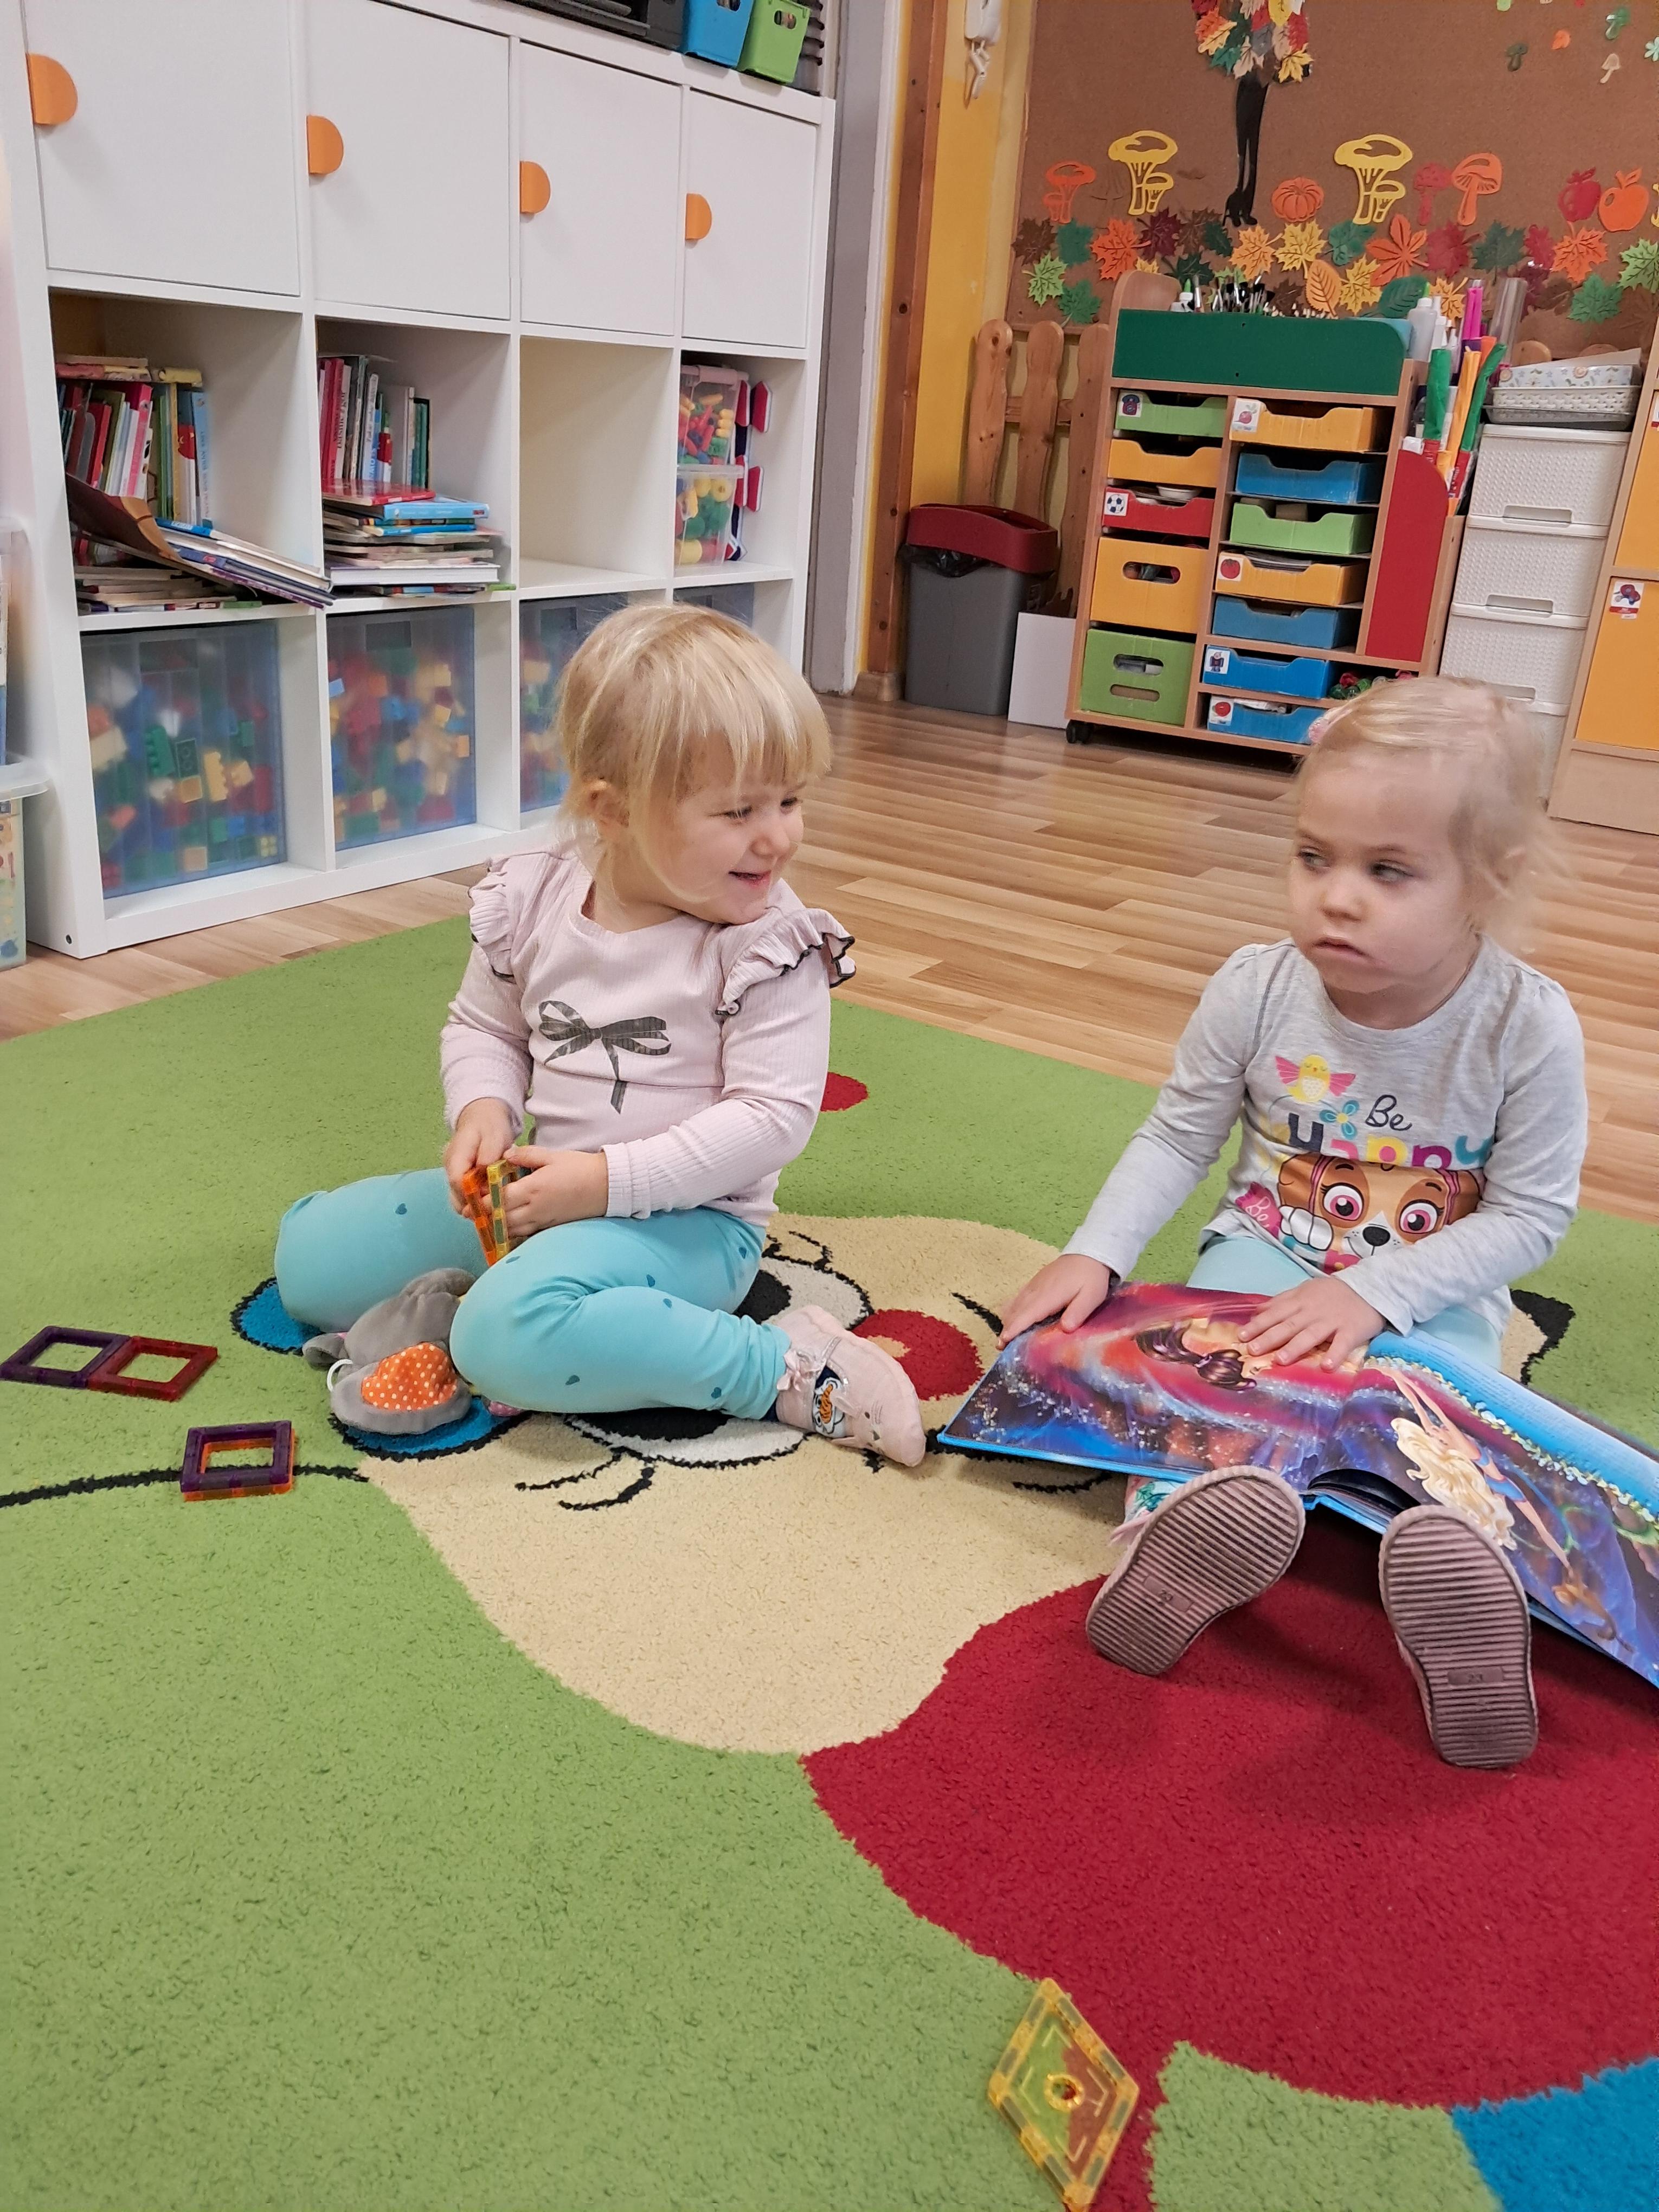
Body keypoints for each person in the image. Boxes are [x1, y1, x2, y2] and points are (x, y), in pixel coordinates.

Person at [999, 678, 1586, 1766]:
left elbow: (1531, 1217)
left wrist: (1375, 1294)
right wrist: (1097, 1251)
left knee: (1438, 1432)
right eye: (1314, 857)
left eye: (1388, 871)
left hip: (1432, 1294)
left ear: (1488, 881)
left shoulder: (1526, 1027)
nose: (1336, 899)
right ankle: (1167, 1545)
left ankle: (1466, 1589)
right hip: (1264, 1258)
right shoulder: (1256, 989)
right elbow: (1177, 1137)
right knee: (1204, 1386)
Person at [275, 603, 925, 1466]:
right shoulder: (533, 897)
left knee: (501, 1337)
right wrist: (483, 1108)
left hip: (691, 1228)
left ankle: (783, 1367)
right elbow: (484, 1025)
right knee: (307, 1263)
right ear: (612, 811)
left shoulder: (770, 945)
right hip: (540, 1198)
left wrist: (607, 1184)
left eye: (790, 800)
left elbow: (773, 1120)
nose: (777, 836)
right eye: (738, 811)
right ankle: (504, 1300)